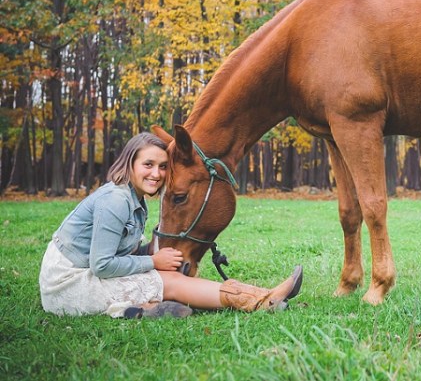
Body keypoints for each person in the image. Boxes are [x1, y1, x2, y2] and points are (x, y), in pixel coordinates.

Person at [39, 132, 302, 318]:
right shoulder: (116, 200)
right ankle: (261, 300)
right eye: (148, 165)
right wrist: (154, 262)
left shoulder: (133, 199)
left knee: (167, 276)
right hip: (68, 286)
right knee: (171, 282)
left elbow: (118, 254)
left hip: (85, 276)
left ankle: (143, 310)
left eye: (163, 167)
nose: (157, 174)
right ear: (129, 163)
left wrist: (151, 254)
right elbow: (102, 265)